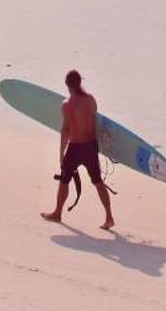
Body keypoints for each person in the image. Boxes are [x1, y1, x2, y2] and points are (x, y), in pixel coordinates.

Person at [40, 69, 115, 230]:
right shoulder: (91, 100)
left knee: (64, 179)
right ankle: (109, 217)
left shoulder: (67, 105)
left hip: (75, 147)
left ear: (67, 84)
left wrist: (61, 154)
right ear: (80, 82)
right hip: (90, 147)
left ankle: (58, 212)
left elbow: (65, 130)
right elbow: (96, 120)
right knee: (98, 182)